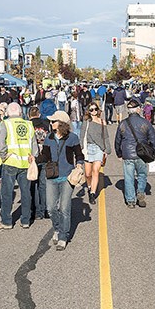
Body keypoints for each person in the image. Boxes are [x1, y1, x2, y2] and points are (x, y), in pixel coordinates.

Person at [38, 110, 84, 251]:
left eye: (53, 121)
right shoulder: (49, 138)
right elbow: (44, 156)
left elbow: (79, 154)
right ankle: (57, 228)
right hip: (52, 176)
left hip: (67, 177)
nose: (50, 123)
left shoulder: (72, 138)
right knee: (51, 208)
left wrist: (79, 163)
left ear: (61, 123)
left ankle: (63, 236)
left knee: (64, 208)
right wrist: (34, 160)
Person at [0, 102, 37, 230]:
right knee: (26, 193)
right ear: (20, 112)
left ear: (7, 113)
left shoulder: (5, 123)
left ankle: (6, 221)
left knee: (7, 193)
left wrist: (3, 156)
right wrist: (33, 156)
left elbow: (1, 143)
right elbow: (34, 145)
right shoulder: (28, 124)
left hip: (11, 162)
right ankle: (25, 220)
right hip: (25, 162)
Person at [114, 99, 155, 208]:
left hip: (128, 153)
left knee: (129, 177)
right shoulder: (145, 123)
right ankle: (141, 192)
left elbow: (117, 140)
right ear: (138, 109)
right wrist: (152, 154)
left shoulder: (123, 123)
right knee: (142, 175)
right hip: (142, 154)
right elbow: (153, 140)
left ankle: (130, 200)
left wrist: (119, 153)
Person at [80, 102, 111, 205]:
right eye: (91, 110)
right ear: (88, 111)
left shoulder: (102, 122)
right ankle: (89, 187)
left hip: (99, 148)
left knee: (95, 170)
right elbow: (82, 135)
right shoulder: (86, 121)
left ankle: (92, 193)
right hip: (88, 148)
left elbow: (105, 137)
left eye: (95, 109)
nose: (93, 111)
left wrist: (107, 150)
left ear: (98, 110)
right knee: (88, 174)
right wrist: (81, 148)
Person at [29, 106, 49, 220]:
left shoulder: (28, 125)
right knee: (43, 185)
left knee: (33, 185)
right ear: (39, 114)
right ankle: (44, 209)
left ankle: (35, 210)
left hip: (33, 157)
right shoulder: (46, 124)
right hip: (44, 156)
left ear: (29, 115)